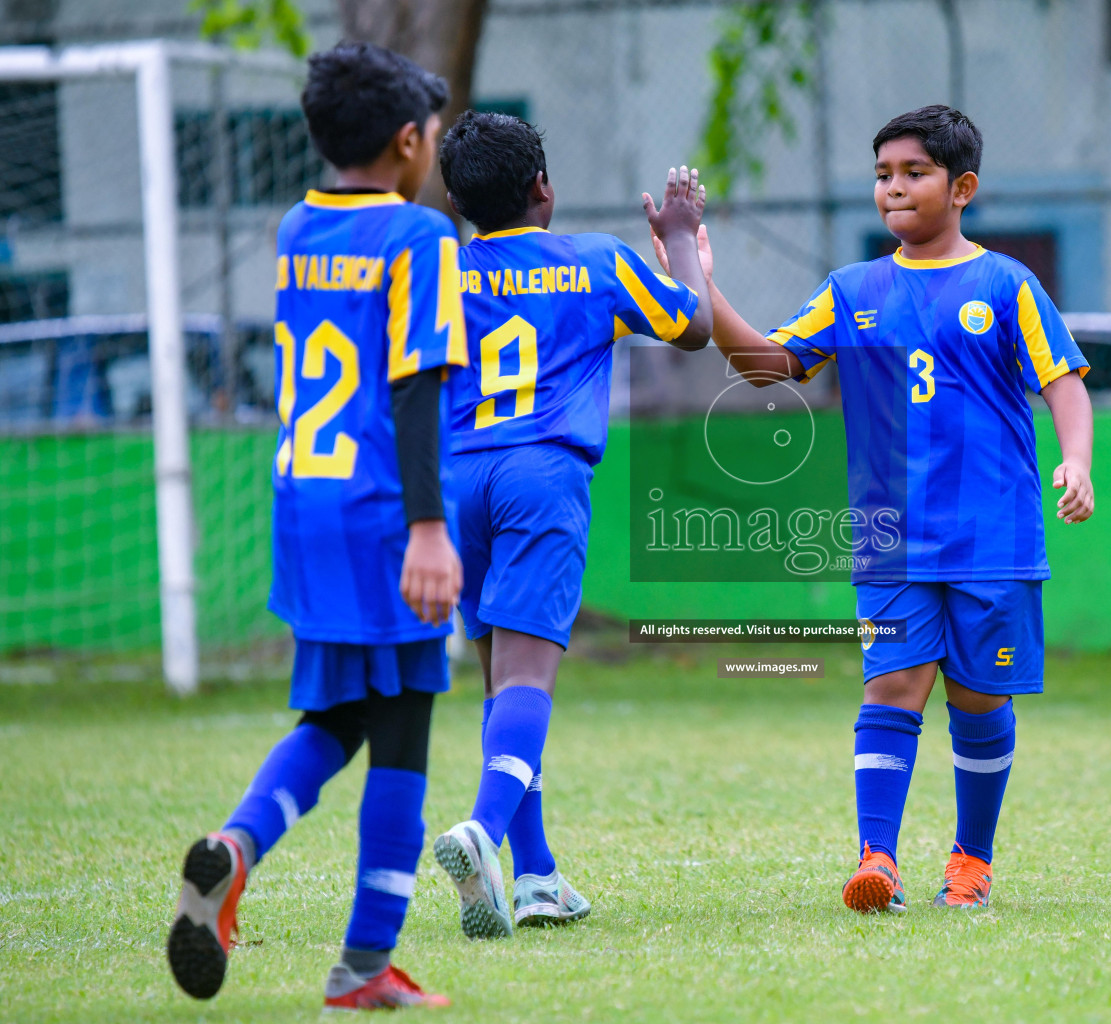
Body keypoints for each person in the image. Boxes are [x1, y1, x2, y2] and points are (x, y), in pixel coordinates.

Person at [653, 105, 1095, 912]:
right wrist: (700, 280)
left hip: (991, 537)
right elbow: (766, 366)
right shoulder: (852, 291)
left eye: (913, 173)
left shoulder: (1004, 284)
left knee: (978, 700)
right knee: (889, 689)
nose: (894, 188)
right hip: (890, 539)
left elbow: (1062, 379)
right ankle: (877, 862)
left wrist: (1076, 460)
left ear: (962, 188)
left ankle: (971, 861)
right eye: (884, 174)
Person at [167, 42, 466, 1009]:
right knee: (405, 729)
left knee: (336, 715)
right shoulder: (421, 236)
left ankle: (234, 847)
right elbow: (417, 389)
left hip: (304, 499)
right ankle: (365, 966)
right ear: (410, 141)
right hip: (385, 510)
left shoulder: (297, 227)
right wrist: (429, 528)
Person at [430, 110, 713, 938]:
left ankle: (539, 878)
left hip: (457, 481)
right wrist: (684, 235)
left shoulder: (439, 272)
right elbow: (692, 328)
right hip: (541, 476)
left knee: (495, 673)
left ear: (457, 200)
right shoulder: (593, 260)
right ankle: (482, 831)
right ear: (543, 188)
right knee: (527, 677)